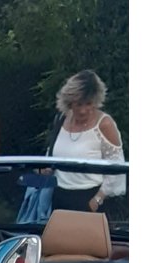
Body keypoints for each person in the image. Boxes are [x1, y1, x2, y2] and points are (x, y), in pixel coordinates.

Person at [48, 70, 126, 213]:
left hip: (89, 198)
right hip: (59, 197)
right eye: (79, 104)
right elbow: (52, 155)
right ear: (70, 103)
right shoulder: (61, 120)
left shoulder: (105, 124)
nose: (83, 110)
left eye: (88, 104)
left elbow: (117, 167)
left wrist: (97, 199)